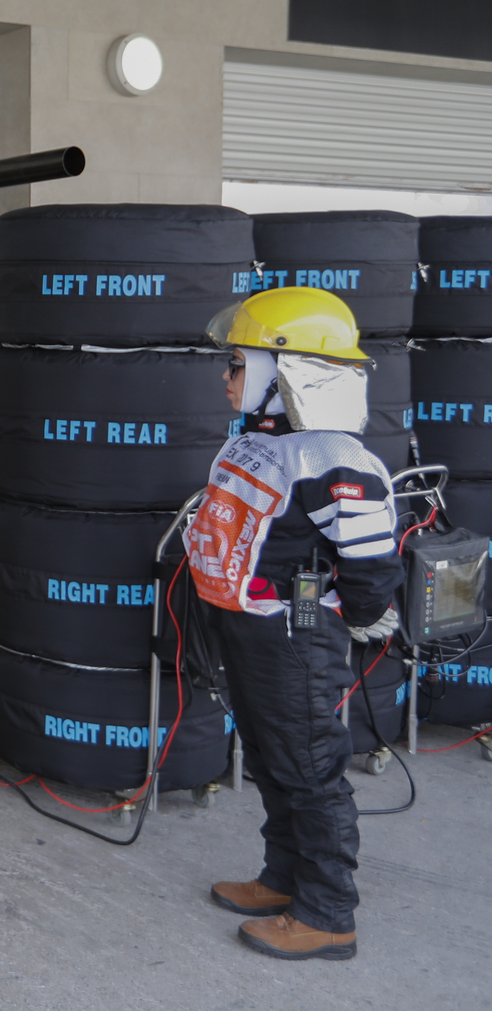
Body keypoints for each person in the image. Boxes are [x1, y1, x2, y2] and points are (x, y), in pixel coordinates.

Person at [186, 287, 401, 961]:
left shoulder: (335, 459)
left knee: (309, 768)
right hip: (251, 629)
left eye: (237, 365)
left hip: (295, 635)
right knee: (271, 758)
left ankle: (328, 914)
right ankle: (282, 879)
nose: (226, 378)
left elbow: (372, 564)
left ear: (288, 374)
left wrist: (356, 618)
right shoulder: (260, 443)